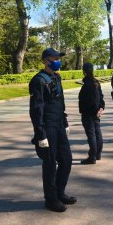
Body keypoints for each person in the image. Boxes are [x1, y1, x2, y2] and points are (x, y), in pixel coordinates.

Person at [29, 48, 76, 212]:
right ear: (46, 61)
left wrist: (65, 122)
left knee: (67, 159)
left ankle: (59, 192)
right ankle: (50, 199)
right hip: (47, 127)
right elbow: (36, 109)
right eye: (54, 58)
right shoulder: (39, 80)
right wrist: (40, 134)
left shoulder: (56, 77)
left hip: (58, 125)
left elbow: (60, 102)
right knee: (49, 164)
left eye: (58, 58)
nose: (58, 60)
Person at [79, 63, 105, 164]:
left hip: (88, 113)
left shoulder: (87, 85)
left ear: (84, 71)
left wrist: (97, 109)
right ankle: (98, 154)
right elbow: (100, 97)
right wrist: (101, 108)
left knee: (92, 135)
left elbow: (90, 101)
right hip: (95, 112)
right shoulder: (96, 82)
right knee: (97, 133)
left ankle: (92, 156)